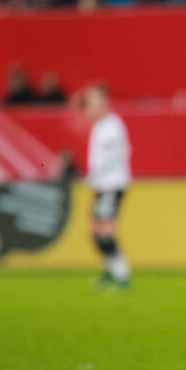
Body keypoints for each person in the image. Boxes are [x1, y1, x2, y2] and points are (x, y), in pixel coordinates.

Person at [79, 83, 132, 289]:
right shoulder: (102, 125)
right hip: (104, 185)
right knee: (95, 230)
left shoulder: (111, 126)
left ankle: (122, 274)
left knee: (104, 231)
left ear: (104, 103)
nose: (91, 109)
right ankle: (111, 270)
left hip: (111, 185)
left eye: (95, 103)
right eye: (89, 104)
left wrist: (93, 176)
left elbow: (112, 158)